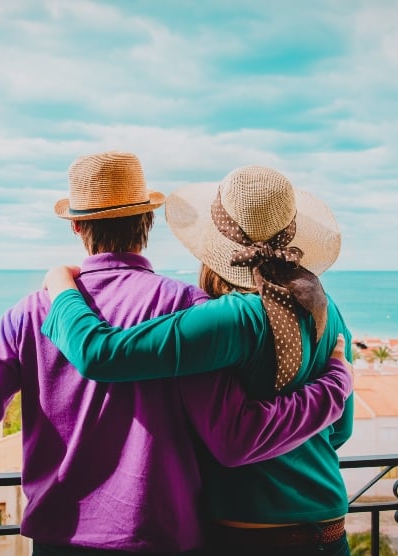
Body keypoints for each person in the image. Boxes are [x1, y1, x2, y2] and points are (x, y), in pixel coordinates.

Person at [0, 151, 354, 555]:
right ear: (148, 220)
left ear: (76, 226)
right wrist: (334, 385)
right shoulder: (194, 306)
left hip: (60, 537)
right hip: (166, 536)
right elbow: (267, 429)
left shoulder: (34, 311)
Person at [42, 165, 354, 555]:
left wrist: (61, 287)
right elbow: (340, 431)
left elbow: (100, 354)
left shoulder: (232, 317)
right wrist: (335, 383)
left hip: (250, 534)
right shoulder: (325, 307)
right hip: (330, 527)